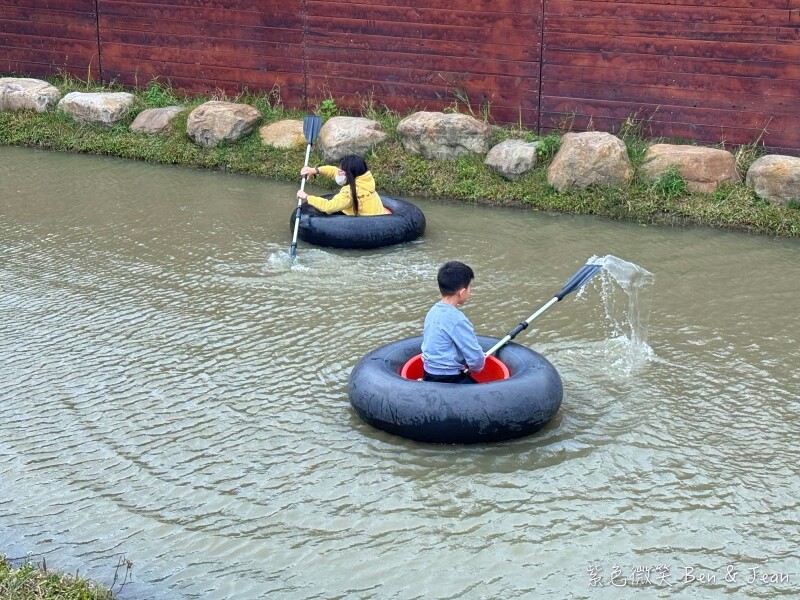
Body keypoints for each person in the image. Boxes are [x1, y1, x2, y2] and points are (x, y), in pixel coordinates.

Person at [421, 261, 485, 384]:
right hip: (448, 378)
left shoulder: (432, 311)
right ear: (462, 292)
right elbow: (476, 358)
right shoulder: (457, 319)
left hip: (429, 373)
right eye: (470, 287)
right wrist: (474, 369)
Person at [297, 155, 385, 216]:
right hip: (381, 217)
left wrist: (307, 197)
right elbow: (334, 171)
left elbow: (329, 207)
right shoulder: (366, 179)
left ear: (351, 174)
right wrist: (315, 170)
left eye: (342, 171)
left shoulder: (349, 192)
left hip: (367, 226)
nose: (338, 172)